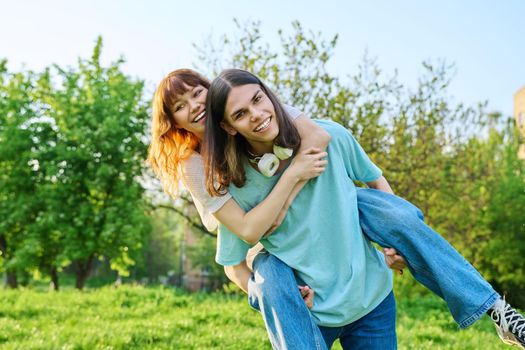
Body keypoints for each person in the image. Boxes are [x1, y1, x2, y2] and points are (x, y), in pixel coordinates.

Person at [203, 68, 525, 349]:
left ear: (271, 97)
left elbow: (377, 183)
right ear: (229, 127)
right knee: (268, 269)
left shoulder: (331, 135)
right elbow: (234, 265)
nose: (257, 114)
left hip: (372, 299)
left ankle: (496, 310)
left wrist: (394, 242)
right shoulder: (238, 186)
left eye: (258, 100)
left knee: (370, 203)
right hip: (313, 313)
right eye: (241, 114)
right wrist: (274, 297)